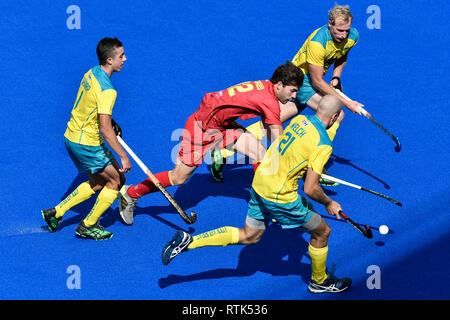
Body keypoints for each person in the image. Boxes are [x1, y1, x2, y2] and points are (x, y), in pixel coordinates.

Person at [162, 95, 352, 294]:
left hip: (261, 183)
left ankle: (189, 241)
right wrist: (329, 202)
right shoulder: (323, 144)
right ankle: (319, 281)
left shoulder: (300, 121)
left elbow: (296, 157)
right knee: (322, 232)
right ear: (333, 118)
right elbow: (310, 188)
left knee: (249, 236)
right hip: (280, 197)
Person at [118, 61, 304, 225]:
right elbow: (278, 138)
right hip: (202, 127)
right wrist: (296, 161)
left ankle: (263, 203)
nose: (294, 96)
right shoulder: (269, 100)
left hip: (221, 123)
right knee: (178, 177)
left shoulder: (265, 85)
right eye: (292, 90)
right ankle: (131, 193)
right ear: (279, 85)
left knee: (260, 154)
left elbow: (271, 129)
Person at [210, 4, 367, 183]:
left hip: (315, 80)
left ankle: (222, 152)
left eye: (347, 30)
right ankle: (316, 167)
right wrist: (348, 103)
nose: (344, 35)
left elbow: (342, 55)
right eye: (340, 30)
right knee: (335, 114)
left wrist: (337, 77)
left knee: (272, 122)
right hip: (301, 81)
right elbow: (316, 81)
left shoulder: (352, 36)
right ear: (330, 24)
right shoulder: (318, 43)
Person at [41, 37, 131, 240]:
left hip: (71, 137)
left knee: (99, 182)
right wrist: (123, 156)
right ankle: (88, 225)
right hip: (87, 143)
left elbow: (92, 104)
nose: (125, 59)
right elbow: (106, 130)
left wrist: (109, 119)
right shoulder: (109, 91)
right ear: (109, 60)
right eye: (121, 55)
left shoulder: (91, 73)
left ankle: (56, 212)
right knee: (117, 180)